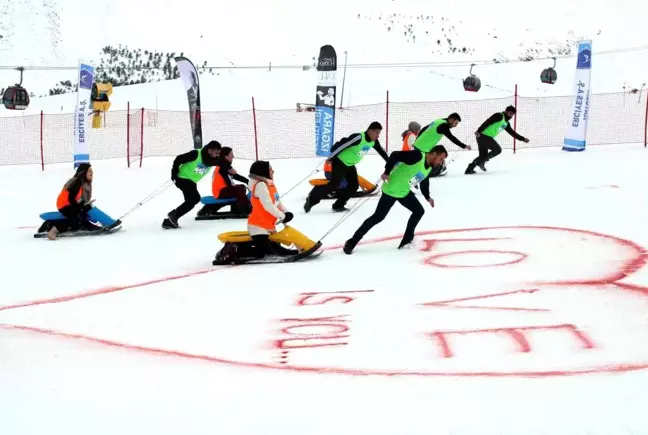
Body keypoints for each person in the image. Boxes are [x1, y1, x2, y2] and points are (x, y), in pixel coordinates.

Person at [343, 145, 448, 254]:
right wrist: (387, 172)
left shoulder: (429, 167)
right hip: (391, 191)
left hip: (404, 192)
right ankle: (352, 242)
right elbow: (395, 155)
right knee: (378, 217)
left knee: (419, 211)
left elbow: (424, 182)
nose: (441, 163)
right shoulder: (417, 156)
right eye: (441, 159)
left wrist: (427, 196)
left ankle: (406, 241)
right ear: (434, 154)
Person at [304, 121, 389, 213]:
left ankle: (338, 205)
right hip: (339, 162)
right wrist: (331, 157)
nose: (378, 135)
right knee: (335, 184)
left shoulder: (374, 142)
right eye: (377, 132)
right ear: (370, 131)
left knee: (353, 186)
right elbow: (342, 146)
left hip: (349, 165)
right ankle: (312, 198)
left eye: (379, 133)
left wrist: (391, 163)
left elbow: (382, 152)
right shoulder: (358, 137)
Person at [45, 163, 120, 239]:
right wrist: (79, 209)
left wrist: (83, 206)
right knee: (76, 220)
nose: (92, 173)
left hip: (72, 204)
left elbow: (79, 199)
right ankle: (53, 230)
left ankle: (90, 226)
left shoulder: (83, 183)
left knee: (82, 216)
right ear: (83, 172)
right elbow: (71, 199)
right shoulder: (76, 183)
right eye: (90, 171)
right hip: (64, 205)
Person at [162, 140, 221, 229]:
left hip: (191, 182)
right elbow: (178, 159)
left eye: (219, 153)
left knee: (191, 201)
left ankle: (170, 220)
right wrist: (174, 172)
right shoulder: (196, 154)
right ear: (209, 150)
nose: (217, 155)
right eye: (216, 153)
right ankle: (173, 216)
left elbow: (223, 163)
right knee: (194, 198)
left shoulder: (212, 160)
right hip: (182, 178)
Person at [245, 160, 298, 258]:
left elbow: (277, 201)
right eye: (270, 169)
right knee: (268, 253)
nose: (273, 171)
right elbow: (268, 206)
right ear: (263, 171)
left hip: (268, 226)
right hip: (258, 227)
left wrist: (286, 212)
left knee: (279, 251)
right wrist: (282, 216)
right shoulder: (261, 186)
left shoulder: (269, 184)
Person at [465, 105, 530, 174]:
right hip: (483, 136)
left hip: (483, 137)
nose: (511, 116)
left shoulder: (506, 123)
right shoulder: (499, 116)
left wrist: (522, 138)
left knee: (482, 156)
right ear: (506, 111)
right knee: (498, 150)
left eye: (512, 114)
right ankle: (481, 162)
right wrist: (478, 130)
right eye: (510, 113)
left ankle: (469, 169)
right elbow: (487, 122)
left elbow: (512, 133)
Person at [198, 147, 251, 216]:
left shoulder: (224, 165)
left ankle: (237, 208)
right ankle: (246, 210)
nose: (233, 156)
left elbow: (235, 176)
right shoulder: (223, 166)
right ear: (225, 156)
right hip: (220, 191)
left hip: (223, 189)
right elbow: (227, 179)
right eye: (231, 154)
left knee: (242, 187)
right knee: (239, 190)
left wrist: (247, 181)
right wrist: (234, 188)